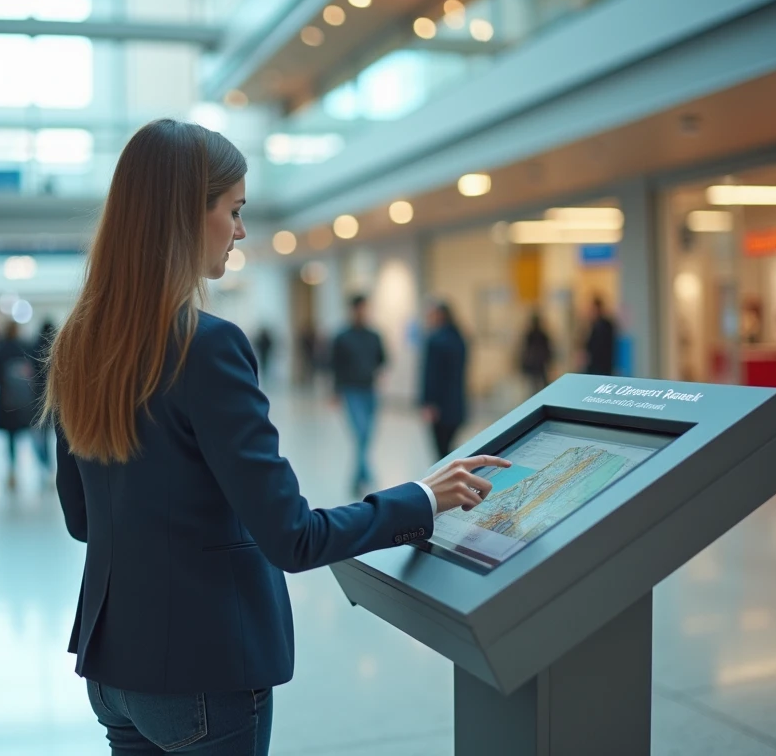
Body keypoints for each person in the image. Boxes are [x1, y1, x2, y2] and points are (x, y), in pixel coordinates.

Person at [44, 119, 506, 754]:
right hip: (203, 672)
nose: (239, 231)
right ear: (186, 213)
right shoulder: (207, 346)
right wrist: (420, 499)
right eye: (232, 211)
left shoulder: (78, 342)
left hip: (115, 667)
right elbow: (292, 536)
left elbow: (82, 518)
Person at [332, 295, 387, 493]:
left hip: (370, 390)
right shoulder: (342, 336)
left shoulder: (374, 335)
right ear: (353, 310)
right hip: (351, 391)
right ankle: (367, 476)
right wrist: (335, 392)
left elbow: (382, 358)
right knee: (361, 432)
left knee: (366, 436)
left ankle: (358, 477)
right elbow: (334, 366)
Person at [0, 320, 37, 487]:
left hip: (6, 400)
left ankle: (12, 470)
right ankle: (45, 467)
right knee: (34, 434)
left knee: (10, 437)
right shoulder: (26, 347)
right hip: (26, 399)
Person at [421, 301, 468, 460]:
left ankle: (446, 479)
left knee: (441, 450)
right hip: (457, 403)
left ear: (440, 315)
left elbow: (431, 375)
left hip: (439, 406)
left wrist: (428, 402)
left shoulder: (435, 340)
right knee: (448, 446)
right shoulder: (460, 339)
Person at [30, 320, 56, 474]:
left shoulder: (34, 346)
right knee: (55, 433)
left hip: (37, 395)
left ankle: (44, 461)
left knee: (40, 432)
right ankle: (48, 462)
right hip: (55, 395)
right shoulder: (58, 346)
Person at [520, 311, 553, 393]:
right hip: (541, 363)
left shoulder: (530, 335)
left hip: (534, 363)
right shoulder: (542, 334)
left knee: (534, 384)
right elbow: (548, 348)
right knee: (542, 382)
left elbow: (525, 350)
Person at [584, 296, 617, 375]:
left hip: (601, 366)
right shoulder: (594, 325)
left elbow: (601, 346)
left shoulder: (604, 325)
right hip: (596, 365)